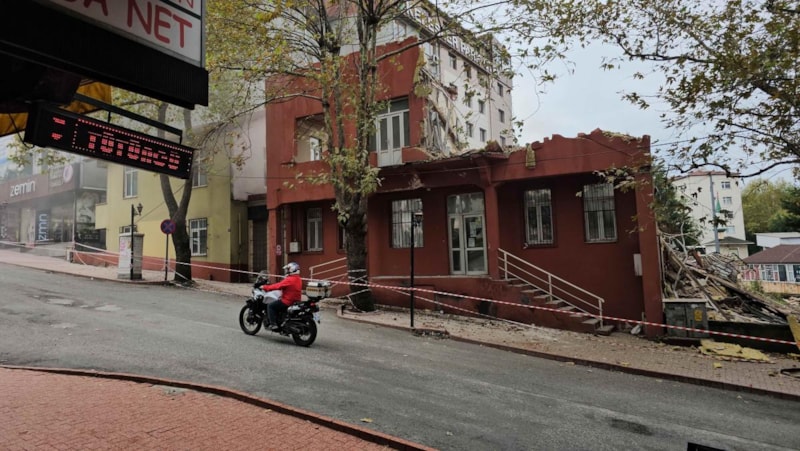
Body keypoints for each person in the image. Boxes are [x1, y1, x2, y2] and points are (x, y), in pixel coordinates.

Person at [260, 262, 303, 330]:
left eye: (288, 269)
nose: (287, 271)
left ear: (292, 270)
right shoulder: (298, 278)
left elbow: (278, 286)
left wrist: (265, 287)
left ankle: (273, 324)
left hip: (287, 301)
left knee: (270, 306)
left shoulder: (289, 279)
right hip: (296, 300)